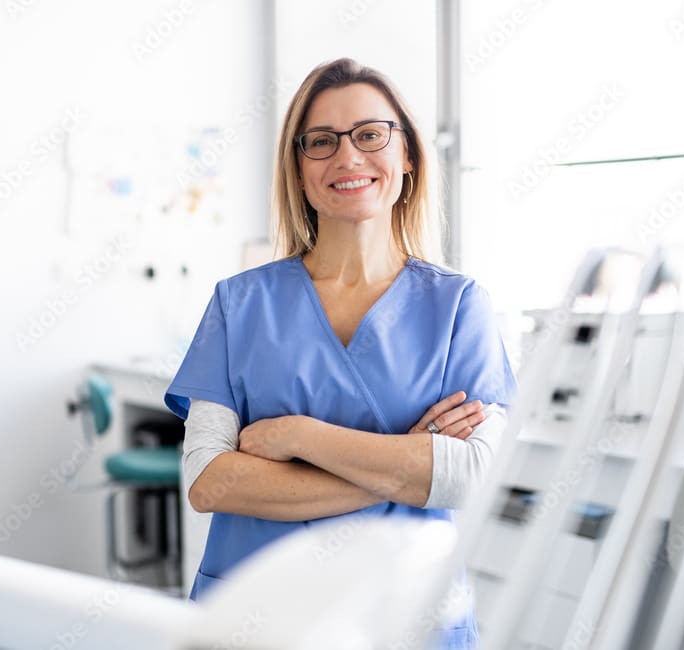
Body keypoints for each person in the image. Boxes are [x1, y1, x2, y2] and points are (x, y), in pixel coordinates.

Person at [164, 57, 516, 648]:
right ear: (299, 170)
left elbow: (471, 476)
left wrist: (299, 437)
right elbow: (208, 481)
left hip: (405, 614)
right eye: (322, 141)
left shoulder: (459, 305)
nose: (348, 157)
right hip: (260, 616)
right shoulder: (238, 303)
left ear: (408, 155)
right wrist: (407, 464)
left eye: (370, 134)